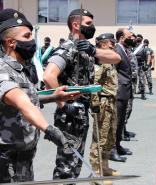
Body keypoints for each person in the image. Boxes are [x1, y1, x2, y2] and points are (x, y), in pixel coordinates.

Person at [0, 8, 80, 183]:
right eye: (27, 36)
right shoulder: (2, 69)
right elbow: (21, 102)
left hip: (24, 155)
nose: (32, 41)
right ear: (11, 42)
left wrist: (54, 96)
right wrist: (51, 130)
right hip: (8, 159)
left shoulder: (20, 69)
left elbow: (28, 96)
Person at [44, 9, 121, 179]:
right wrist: (63, 105)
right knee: (67, 164)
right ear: (76, 25)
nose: (92, 27)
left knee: (75, 163)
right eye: (88, 23)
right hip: (70, 114)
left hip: (81, 112)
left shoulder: (87, 49)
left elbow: (116, 58)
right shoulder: (68, 47)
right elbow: (49, 76)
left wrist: (94, 51)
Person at [89, 33, 120, 184]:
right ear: (102, 45)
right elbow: (94, 85)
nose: (113, 45)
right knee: (99, 139)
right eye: (110, 43)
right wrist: (95, 104)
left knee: (109, 138)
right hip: (102, 103)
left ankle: (105, 167)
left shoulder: (110, 59)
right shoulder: (100, 61)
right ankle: (96, 172)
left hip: (111, 102)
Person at [113, 28, 133, 157]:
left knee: (121, 122)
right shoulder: (116, 50)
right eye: (129, 36)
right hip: (119, 90)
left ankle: (118, 145)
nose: (132, 38)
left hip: (125, 90)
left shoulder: (124, 50)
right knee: (116, 121)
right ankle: (112, 149)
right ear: (121, 38)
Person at [134, 34, 147, 100]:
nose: (138, 39)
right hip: (134, 66)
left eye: (139, 39)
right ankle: (132, 94)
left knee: (142, 81)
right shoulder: (133, 47)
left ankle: (143, 95)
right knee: (133, 80)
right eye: (137, 38)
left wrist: (146, 65)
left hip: (141, 66)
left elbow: (146, 57)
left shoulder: (143, 48)